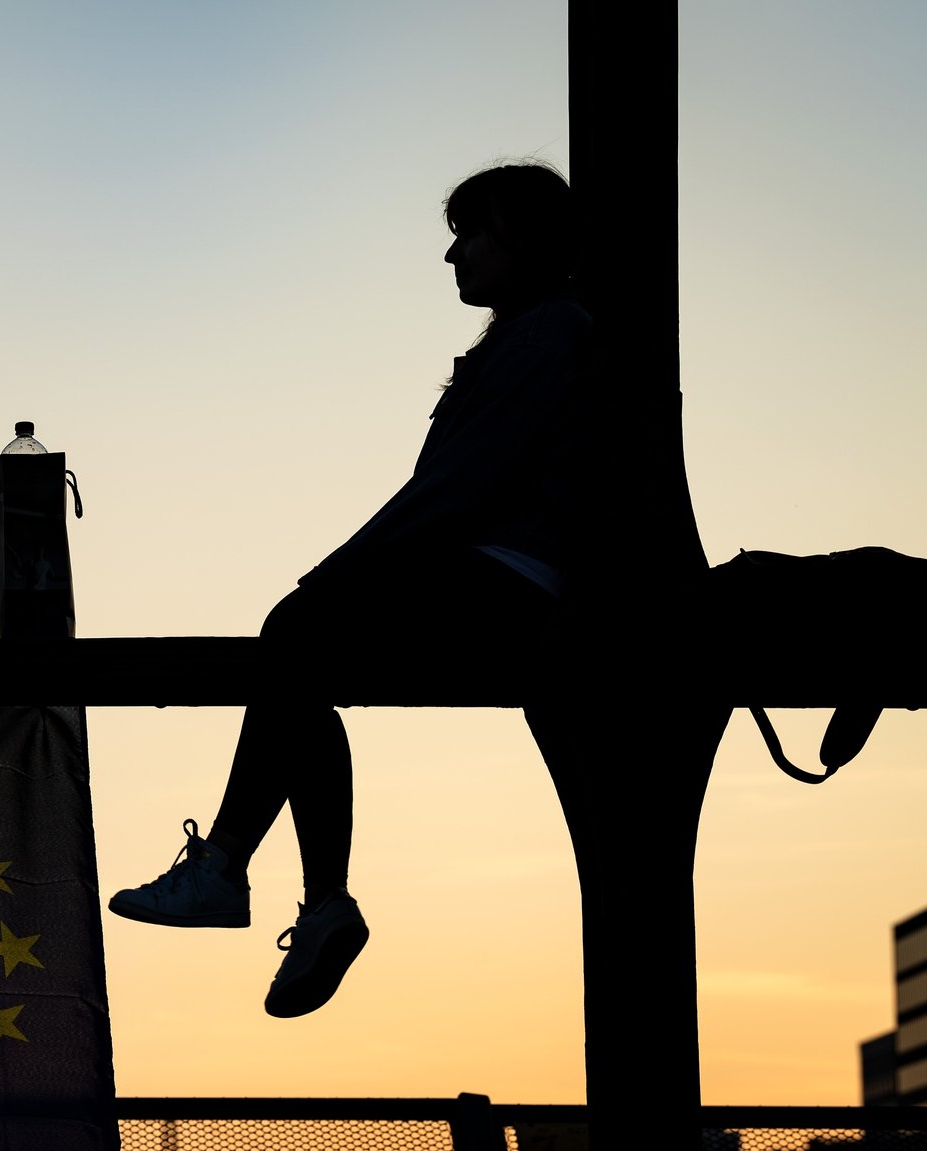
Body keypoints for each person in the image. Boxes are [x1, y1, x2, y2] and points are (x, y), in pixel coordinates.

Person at [108, 161, 591, 1018]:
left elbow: (461, 488)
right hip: (495, 576)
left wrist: (343, 568)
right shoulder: (529, 336)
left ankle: (249, 874)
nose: (453, 254)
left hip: (505, 582)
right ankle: (284, 888)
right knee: (298, 651)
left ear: (527, 238)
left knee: (297, 629)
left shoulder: (552, 332)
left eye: (472, 232)